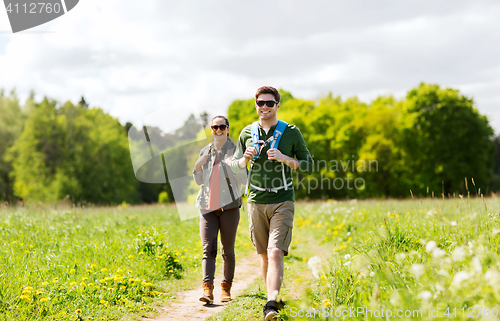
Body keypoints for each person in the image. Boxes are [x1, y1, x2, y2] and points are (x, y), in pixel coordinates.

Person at [231, 86, 313, 320]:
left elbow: (308, 165)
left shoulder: (291, 132)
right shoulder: (247, 132)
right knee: (265, 255)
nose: (264, 107)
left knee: (275, 251)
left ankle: (271, 305)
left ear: (278, 105)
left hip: (282, 199)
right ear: (255, 105)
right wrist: (244, 159)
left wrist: (285, 158)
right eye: (260, 103)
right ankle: (272, 296)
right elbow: (234, 165)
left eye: (269, 103)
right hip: (256, 200)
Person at [193, 115, 245, 305]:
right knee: (208, 249)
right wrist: (197, 166)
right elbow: (199, 180)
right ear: (212, 129)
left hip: (229, 207)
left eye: (222, 126)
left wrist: (235, 165)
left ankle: (226, 288)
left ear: (228, 129)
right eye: (215, 127)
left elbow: (244, 180)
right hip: (207, 207)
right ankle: (207, 289)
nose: (218, 130)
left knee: (227, 250)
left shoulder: (237, 151)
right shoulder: (205, 150)